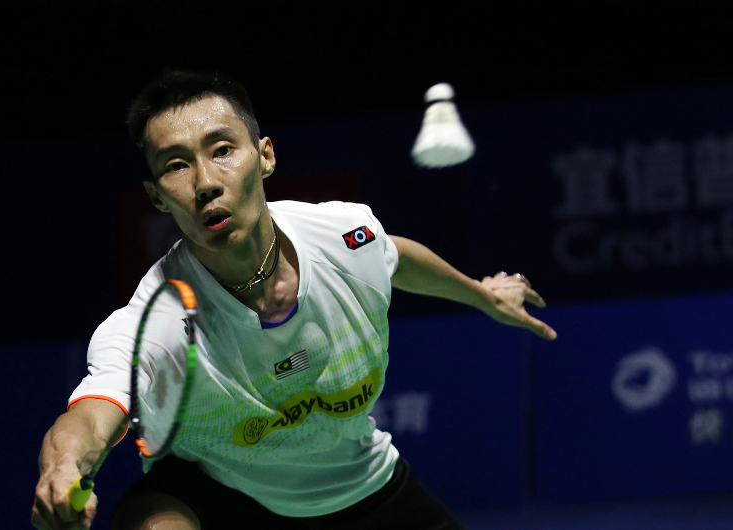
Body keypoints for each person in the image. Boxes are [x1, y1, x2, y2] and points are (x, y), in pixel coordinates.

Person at [31, 69, 557, 530]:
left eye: (222, 150)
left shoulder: (344, 236)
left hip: (360, 483)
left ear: (264, 157)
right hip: (220, 491)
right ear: (157, 196)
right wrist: (64, 467)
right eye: (176, 165)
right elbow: (96, 410)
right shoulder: (157, 322)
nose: (206, 182)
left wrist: (479, 294)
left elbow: (393, 256)